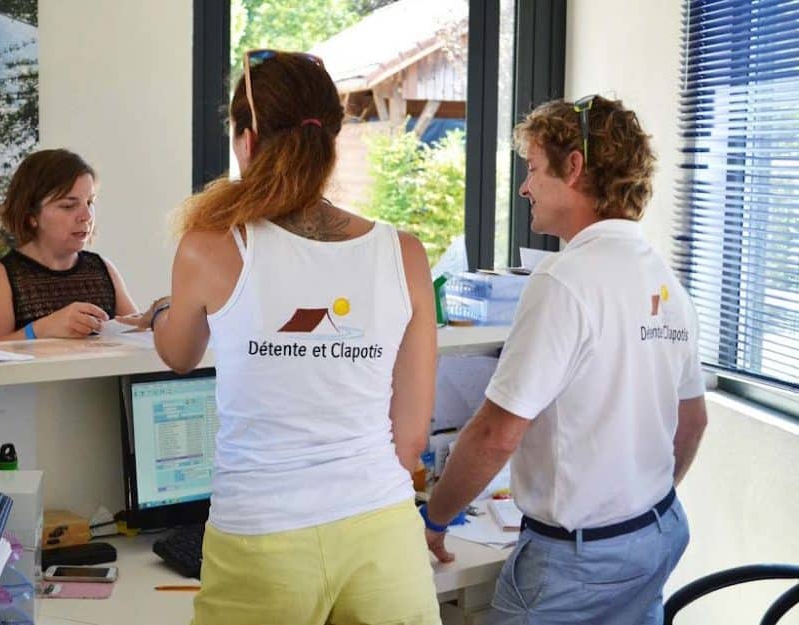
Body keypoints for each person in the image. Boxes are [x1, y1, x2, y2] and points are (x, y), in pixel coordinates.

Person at [120, 50, 441, 625]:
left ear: (246, 139)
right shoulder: (406, 253)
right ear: (332, 139)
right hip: (384, 534)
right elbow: (412, 437)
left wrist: (170, 307)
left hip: (262, 539)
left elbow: (178, 353)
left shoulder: (211, 244)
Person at [422, 95, 708, 625]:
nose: (526, 187)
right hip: (655, 533)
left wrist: (435, 518)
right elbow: (692, 423)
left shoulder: (563, 280)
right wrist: (632, 506)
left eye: (532, 170)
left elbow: (495, 435)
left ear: (573, 168)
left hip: (575, 565)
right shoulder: (664, 279)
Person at [0, 148, 138, 343]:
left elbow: (139, 340)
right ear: (31, 216)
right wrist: (41, 329)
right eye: (68, 205)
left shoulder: (104, 269)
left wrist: (157, 317)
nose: (87, 216)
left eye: (90, 202)